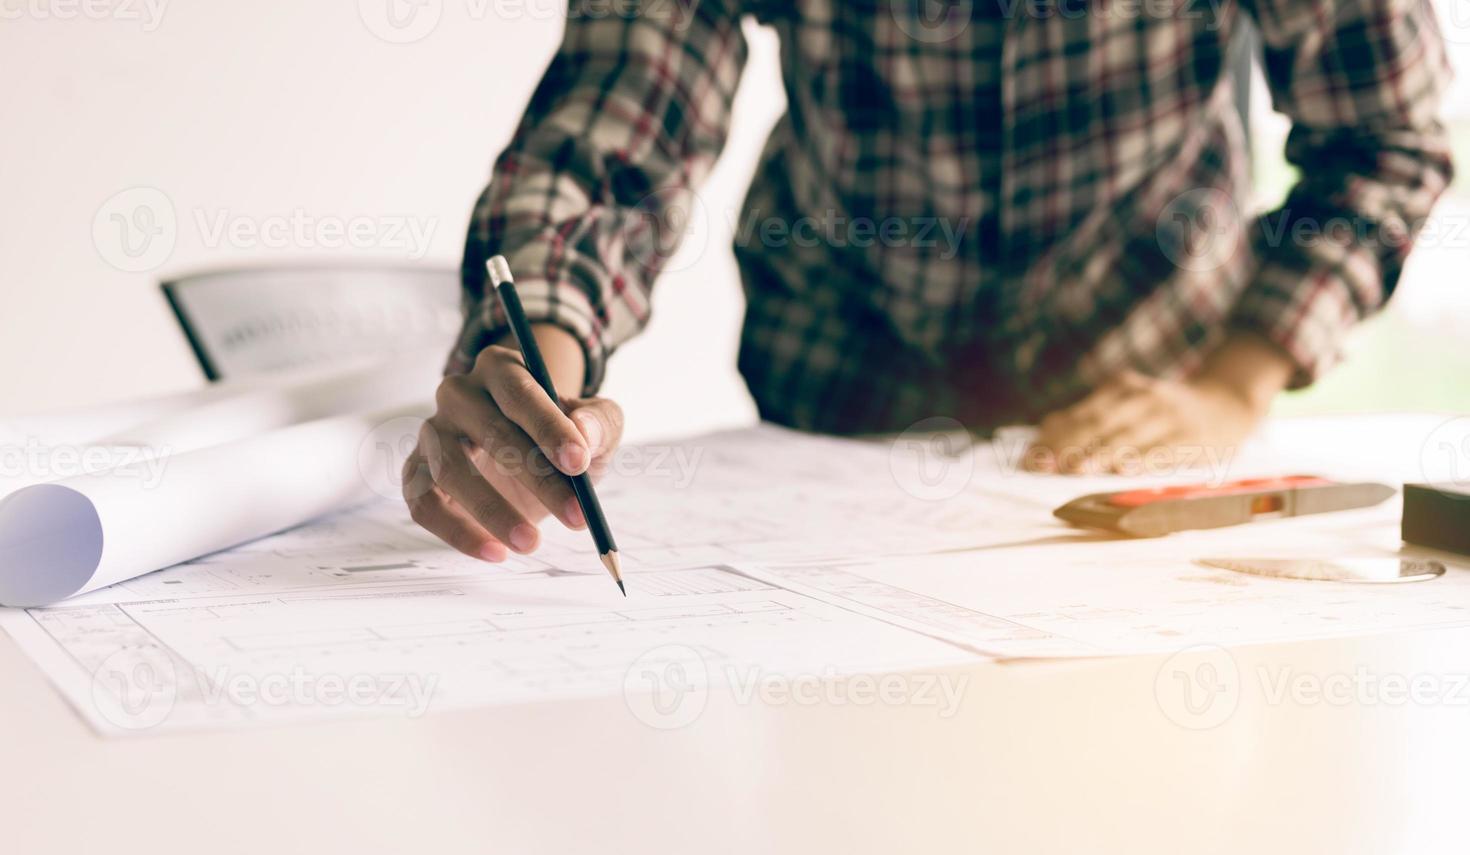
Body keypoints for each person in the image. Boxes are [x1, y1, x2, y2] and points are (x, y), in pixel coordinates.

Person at [403, 0, 1453, 561]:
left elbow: (1386, 138)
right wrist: (539, 355)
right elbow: (606, 151)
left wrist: (1233, 383)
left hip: (1157, 403)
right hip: (843, 385)